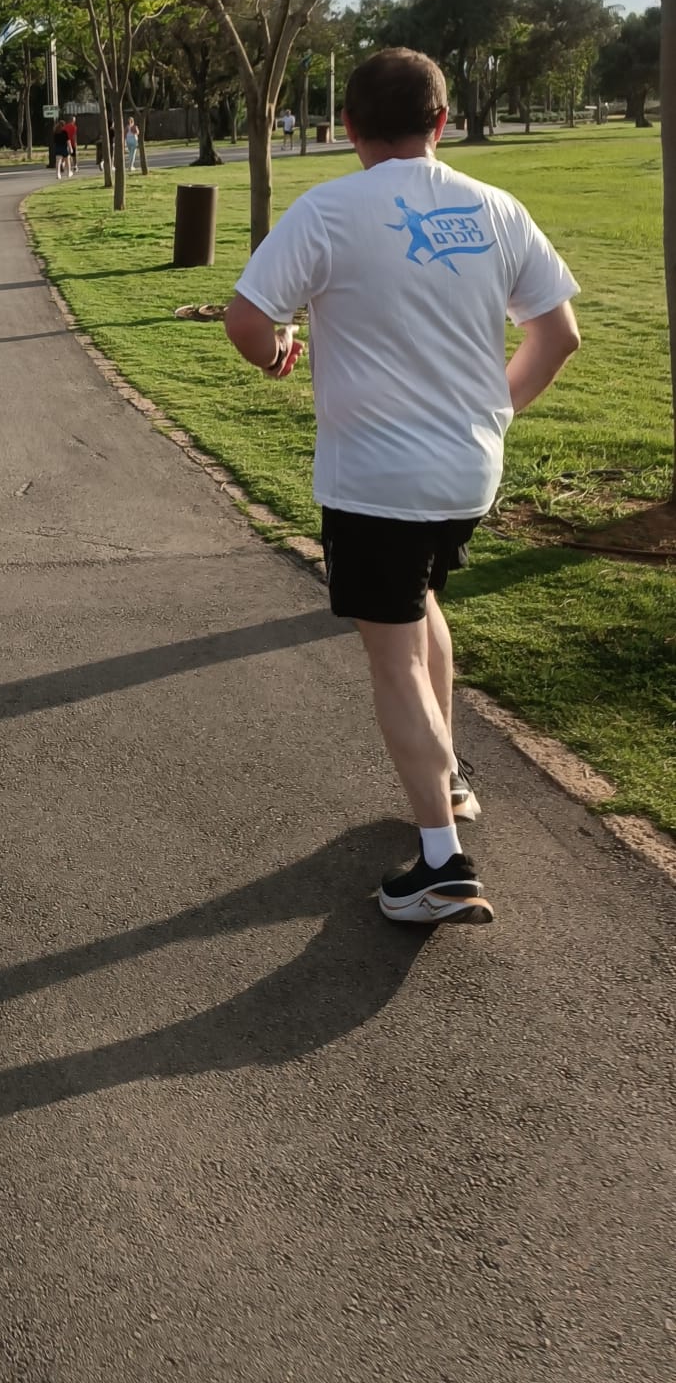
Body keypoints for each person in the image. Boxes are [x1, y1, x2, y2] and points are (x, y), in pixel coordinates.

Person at [223, 49, 580, 924]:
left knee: (391, 657)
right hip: (466, 470)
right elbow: (559, 334)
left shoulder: (329, 209)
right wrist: (494, 412)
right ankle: (450, 779)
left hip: (377, 474)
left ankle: (442, 863)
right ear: (443, 121)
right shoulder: (496, 208)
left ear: (347, 127)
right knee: (419, 605)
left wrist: (277, 357)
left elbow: (246, 317)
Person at [51, 112, 73, 180]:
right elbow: (68, 140)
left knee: (58, 162)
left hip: (57, 147)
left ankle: (58, 174)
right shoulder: (64, 132)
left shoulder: (55, 132)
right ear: (63, 126)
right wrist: (71, 148)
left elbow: (54, 141)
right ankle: (69, 172)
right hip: (64, 147)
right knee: (67, 160)